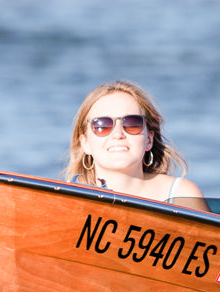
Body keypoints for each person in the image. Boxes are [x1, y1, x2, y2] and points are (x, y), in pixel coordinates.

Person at [62, 81, 208, 210]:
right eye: (102, 125)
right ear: (85, 143)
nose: (118, 134)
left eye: (132, 124)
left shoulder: (181, 195)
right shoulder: (67, 202)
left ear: (149, 139)